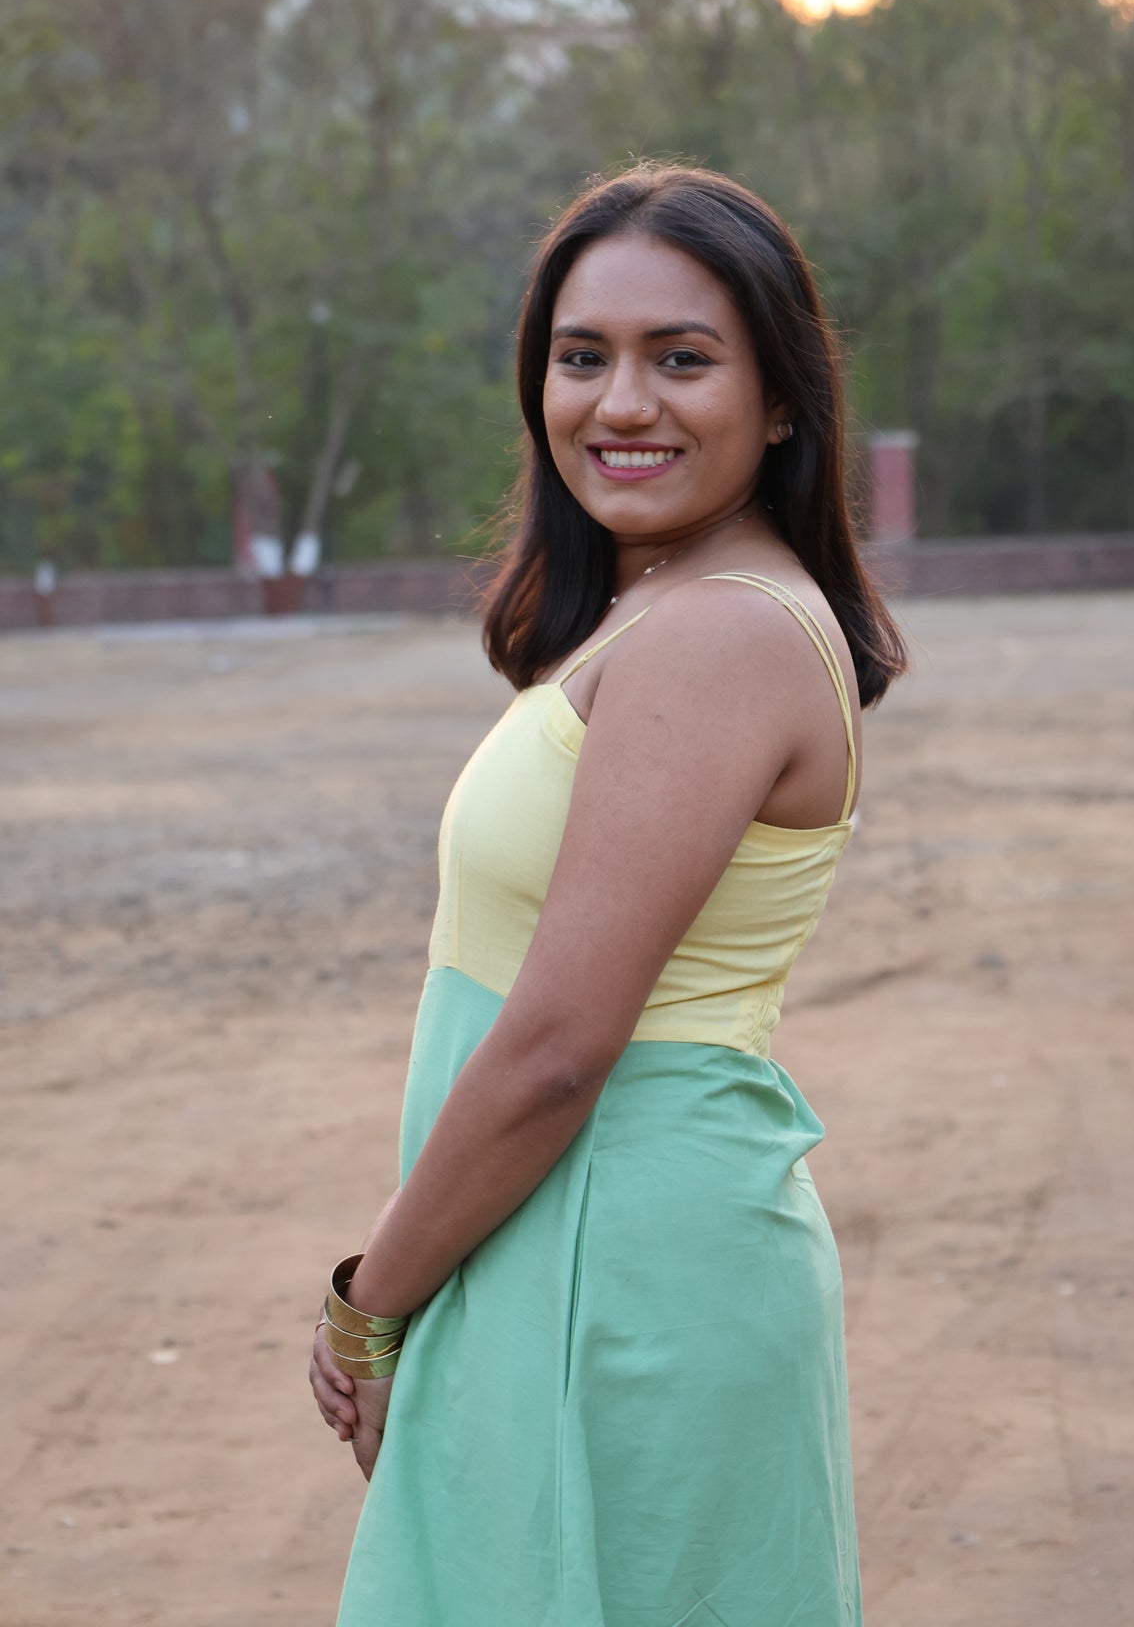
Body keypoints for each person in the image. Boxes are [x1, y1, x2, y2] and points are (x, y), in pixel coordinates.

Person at [309, 162, 907, 1626]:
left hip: (622, 1260)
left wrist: (369, 1302)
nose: (621, 403)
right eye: (583, 357)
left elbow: (560, 1046)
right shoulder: (667, 609)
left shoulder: (720, 637)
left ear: (782, 400)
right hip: (556, 1228)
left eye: (681, 359)